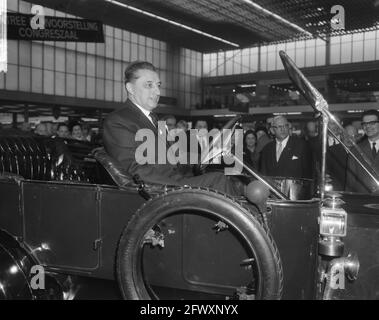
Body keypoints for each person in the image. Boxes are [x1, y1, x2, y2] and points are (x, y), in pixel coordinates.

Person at [103, 61, 240, 195]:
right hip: (159, 190)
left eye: (158, 85)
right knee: (218, 180)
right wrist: (180, 187)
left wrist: (205, 157)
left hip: (175, 183)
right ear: (130, 88)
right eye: (149, 85)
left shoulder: (154, 119)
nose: (157, 92)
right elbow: (135, 169)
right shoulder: (118, 121)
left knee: (227, 177)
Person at [346, 110, 379, 193]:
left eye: (372, 123)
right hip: (362, 200)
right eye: (365, 124)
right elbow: (350, 181)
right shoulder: (355, 150)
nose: (368, 126)